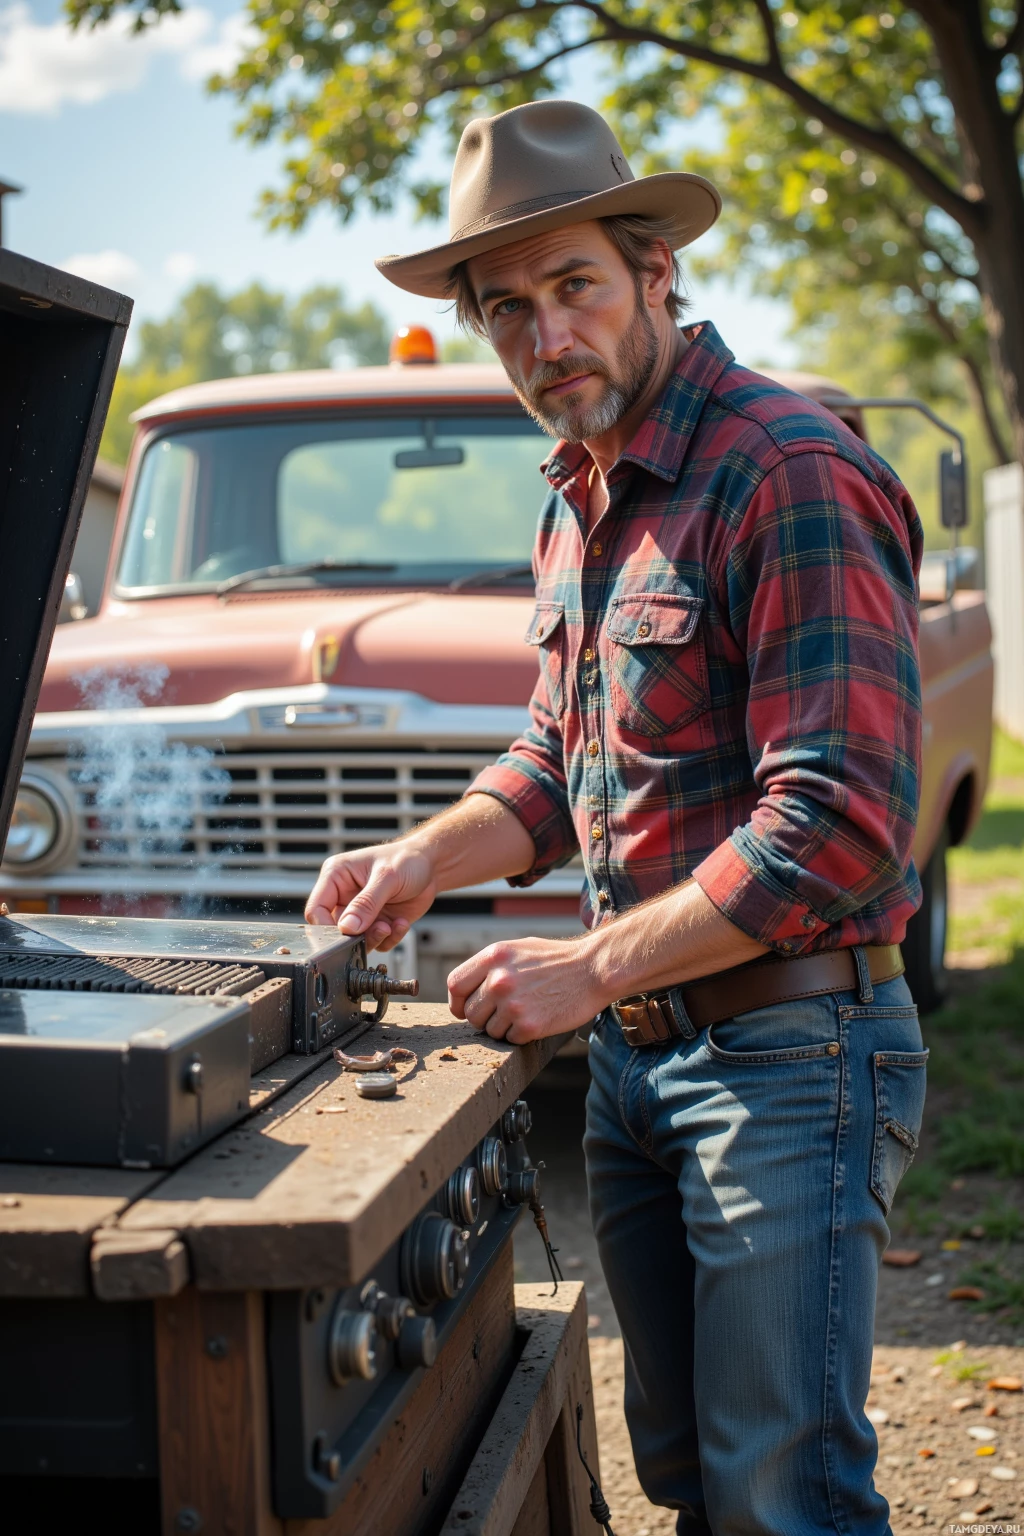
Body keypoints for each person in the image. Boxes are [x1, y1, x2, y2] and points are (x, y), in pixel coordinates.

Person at [307, 99, 927, 1535]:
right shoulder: (581, 490)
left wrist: (583, 970)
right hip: (646, 1064)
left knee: (789, 1494)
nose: (545, 338)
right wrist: (422, 857)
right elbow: (559, 758)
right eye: (504, 309)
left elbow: (838, 823)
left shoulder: (787, 471)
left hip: (790, 1051)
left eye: (574, 286)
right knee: (692, 1478)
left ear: (656, 272)